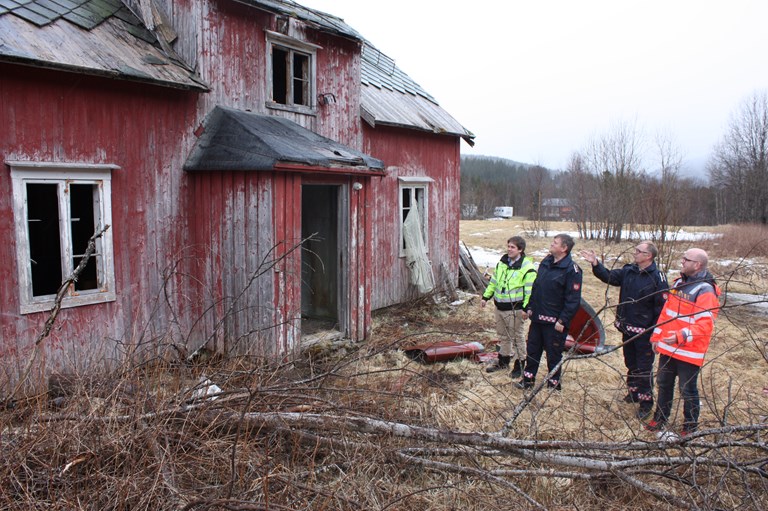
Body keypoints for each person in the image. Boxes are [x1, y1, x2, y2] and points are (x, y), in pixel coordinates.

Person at [579, 242, 668, 419]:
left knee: (644, 368)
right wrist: (596, 264)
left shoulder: (658, 278)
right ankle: (633, 393)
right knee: (631, 363)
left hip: (645, 332)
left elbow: (662, 309)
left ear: (648, 256)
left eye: (639, 251)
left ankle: (645, 402)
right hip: (627, 329)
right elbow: (610, 277)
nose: (635, 253)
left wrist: (655, 333)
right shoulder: (629, 271)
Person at [644, 248, 720, 437]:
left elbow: (705, 324)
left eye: (686, 259)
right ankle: (659, 419)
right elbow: (666, 314)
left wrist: (681, 336)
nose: (682, 261)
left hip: (689, 351)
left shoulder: (705, 290)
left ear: (697, 265)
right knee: (663, 384)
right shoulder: (678, 283)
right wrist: (656, 336)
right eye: (683, 257)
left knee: (687, 390)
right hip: (669, 347)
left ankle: (690, 427)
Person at [517, 233, 582, 391]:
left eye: (555, 243)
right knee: (533, 349)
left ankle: (553, 384)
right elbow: (536, 287)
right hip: (538, 318)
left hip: (555, 323)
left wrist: (563, 320)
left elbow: (573, 300)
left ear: (564, 248)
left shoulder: (571, 270)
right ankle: (528, 379)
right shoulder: (546, 262)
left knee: (553, 354)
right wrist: (530, 307)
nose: (551, 244)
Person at [481, 236, 537, 377]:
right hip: (499, 307)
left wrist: (526, 308)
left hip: (515, 309)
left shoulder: (528, 268)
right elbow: (494, 282)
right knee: (503, 336)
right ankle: (503, 361)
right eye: (508, 246)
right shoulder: (502, 263)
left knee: (517, 337)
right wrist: (486, 297)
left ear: (520, 249)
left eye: (512, 247)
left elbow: (530, 291)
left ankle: (520, 365)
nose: (509, 249)